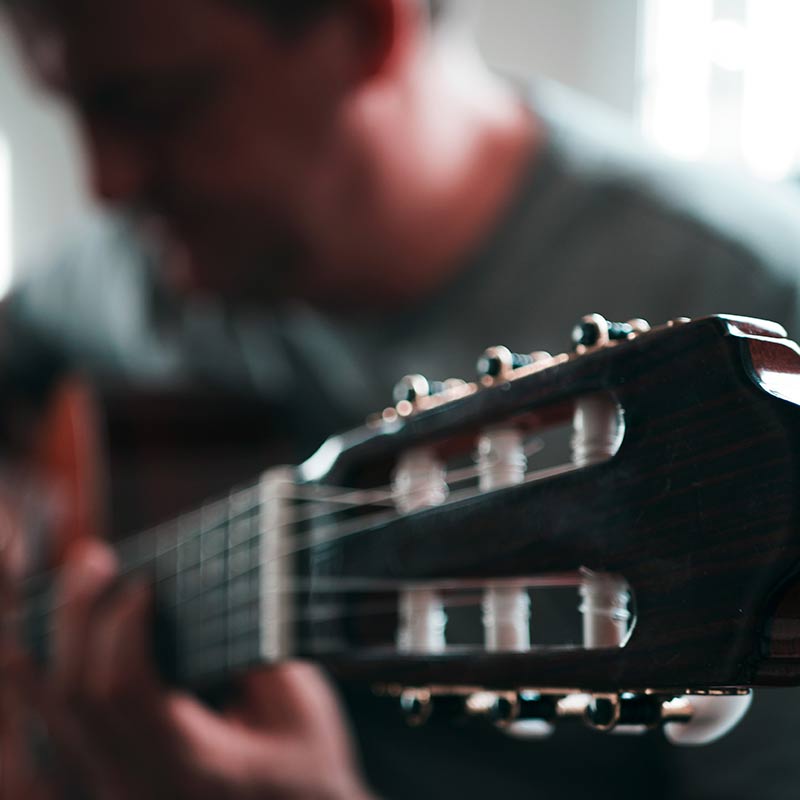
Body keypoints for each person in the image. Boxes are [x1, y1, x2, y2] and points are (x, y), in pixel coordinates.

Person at [3, 0, 800, 797]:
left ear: (368, 27)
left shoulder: (747, 311)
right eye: (72, 106)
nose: (105, 184)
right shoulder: (155, 263)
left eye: (153, 105)